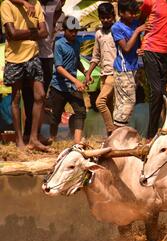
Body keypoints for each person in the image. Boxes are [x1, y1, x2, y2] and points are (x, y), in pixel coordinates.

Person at [1, 0, 50, 151]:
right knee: (16, 99)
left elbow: (44, 32)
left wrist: (25, 33)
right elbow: (12, 33)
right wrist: (33, 32)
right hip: (14, 58)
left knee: (40, 95)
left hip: (33, 57)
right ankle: (19, 140)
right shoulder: (6, 5)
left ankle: (34, 138)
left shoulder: (36, 4)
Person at [15, 0, 64, 145]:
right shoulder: (31, 2)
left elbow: (58, 13)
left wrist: (53, 27)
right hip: (31, 54)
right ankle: (28, 134)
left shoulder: (56, 3)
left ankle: (35, 135)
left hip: (47, 55)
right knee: (28, 96)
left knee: (40, 98)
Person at [139, 0, 167, 139]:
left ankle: (158, 131)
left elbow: (166, 26)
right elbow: (140, 21)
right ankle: (150, 135)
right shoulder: (150, 2)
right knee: (156, 91)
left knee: (162, 93)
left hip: (164, 51)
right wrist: (139, 44)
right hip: (149, 48)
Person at [46, 16, 87, 144]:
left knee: (81, 111)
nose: (74, 33)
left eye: (76, 31)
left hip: (72, 86)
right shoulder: (59, 44)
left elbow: (76, 60)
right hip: (58, 86)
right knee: (55, 116)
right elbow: (59, 67)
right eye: (71, 31)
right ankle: (52, 138)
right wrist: (76, 80)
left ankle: (77, 141)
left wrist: (85, 72)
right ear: (64, 30)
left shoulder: (77, 43)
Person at [111, 0, 147, 128]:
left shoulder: (134, 23)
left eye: (134, 13)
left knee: (123, 103)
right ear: (121, 13)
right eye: (130, 13)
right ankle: (118, 133)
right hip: (123, 69)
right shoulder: (116, 28)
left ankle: (118, 134)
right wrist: (137, 31)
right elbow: (125, 48)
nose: (133, 16)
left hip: (132, 68)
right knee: (129, 101)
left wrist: (138, 49)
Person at [85, 2, 116, 136]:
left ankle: (112, 130)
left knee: (100, 102)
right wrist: (88, 73)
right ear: (99, 17)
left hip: (115, 73)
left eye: (108, 17)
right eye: (103, 18)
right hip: (104, 73)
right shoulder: (98, 33)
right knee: (109, 108)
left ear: (113, 17)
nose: (106, 20)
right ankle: (112, 138)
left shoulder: (117, 30)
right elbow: (96, 56)